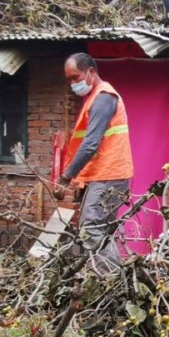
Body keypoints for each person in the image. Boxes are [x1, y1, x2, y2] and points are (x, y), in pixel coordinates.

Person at [59, 53, 135, 273]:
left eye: (76, 77)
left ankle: (112, 280)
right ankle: (102, 278)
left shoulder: (103, 98)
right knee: (101, 231)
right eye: (69, 80)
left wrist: (66, 177)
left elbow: (91, 144)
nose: (73, 84)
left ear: (91, 72)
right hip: (105, 174)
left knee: (91, 228)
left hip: (108, 175)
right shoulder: (96, 97)